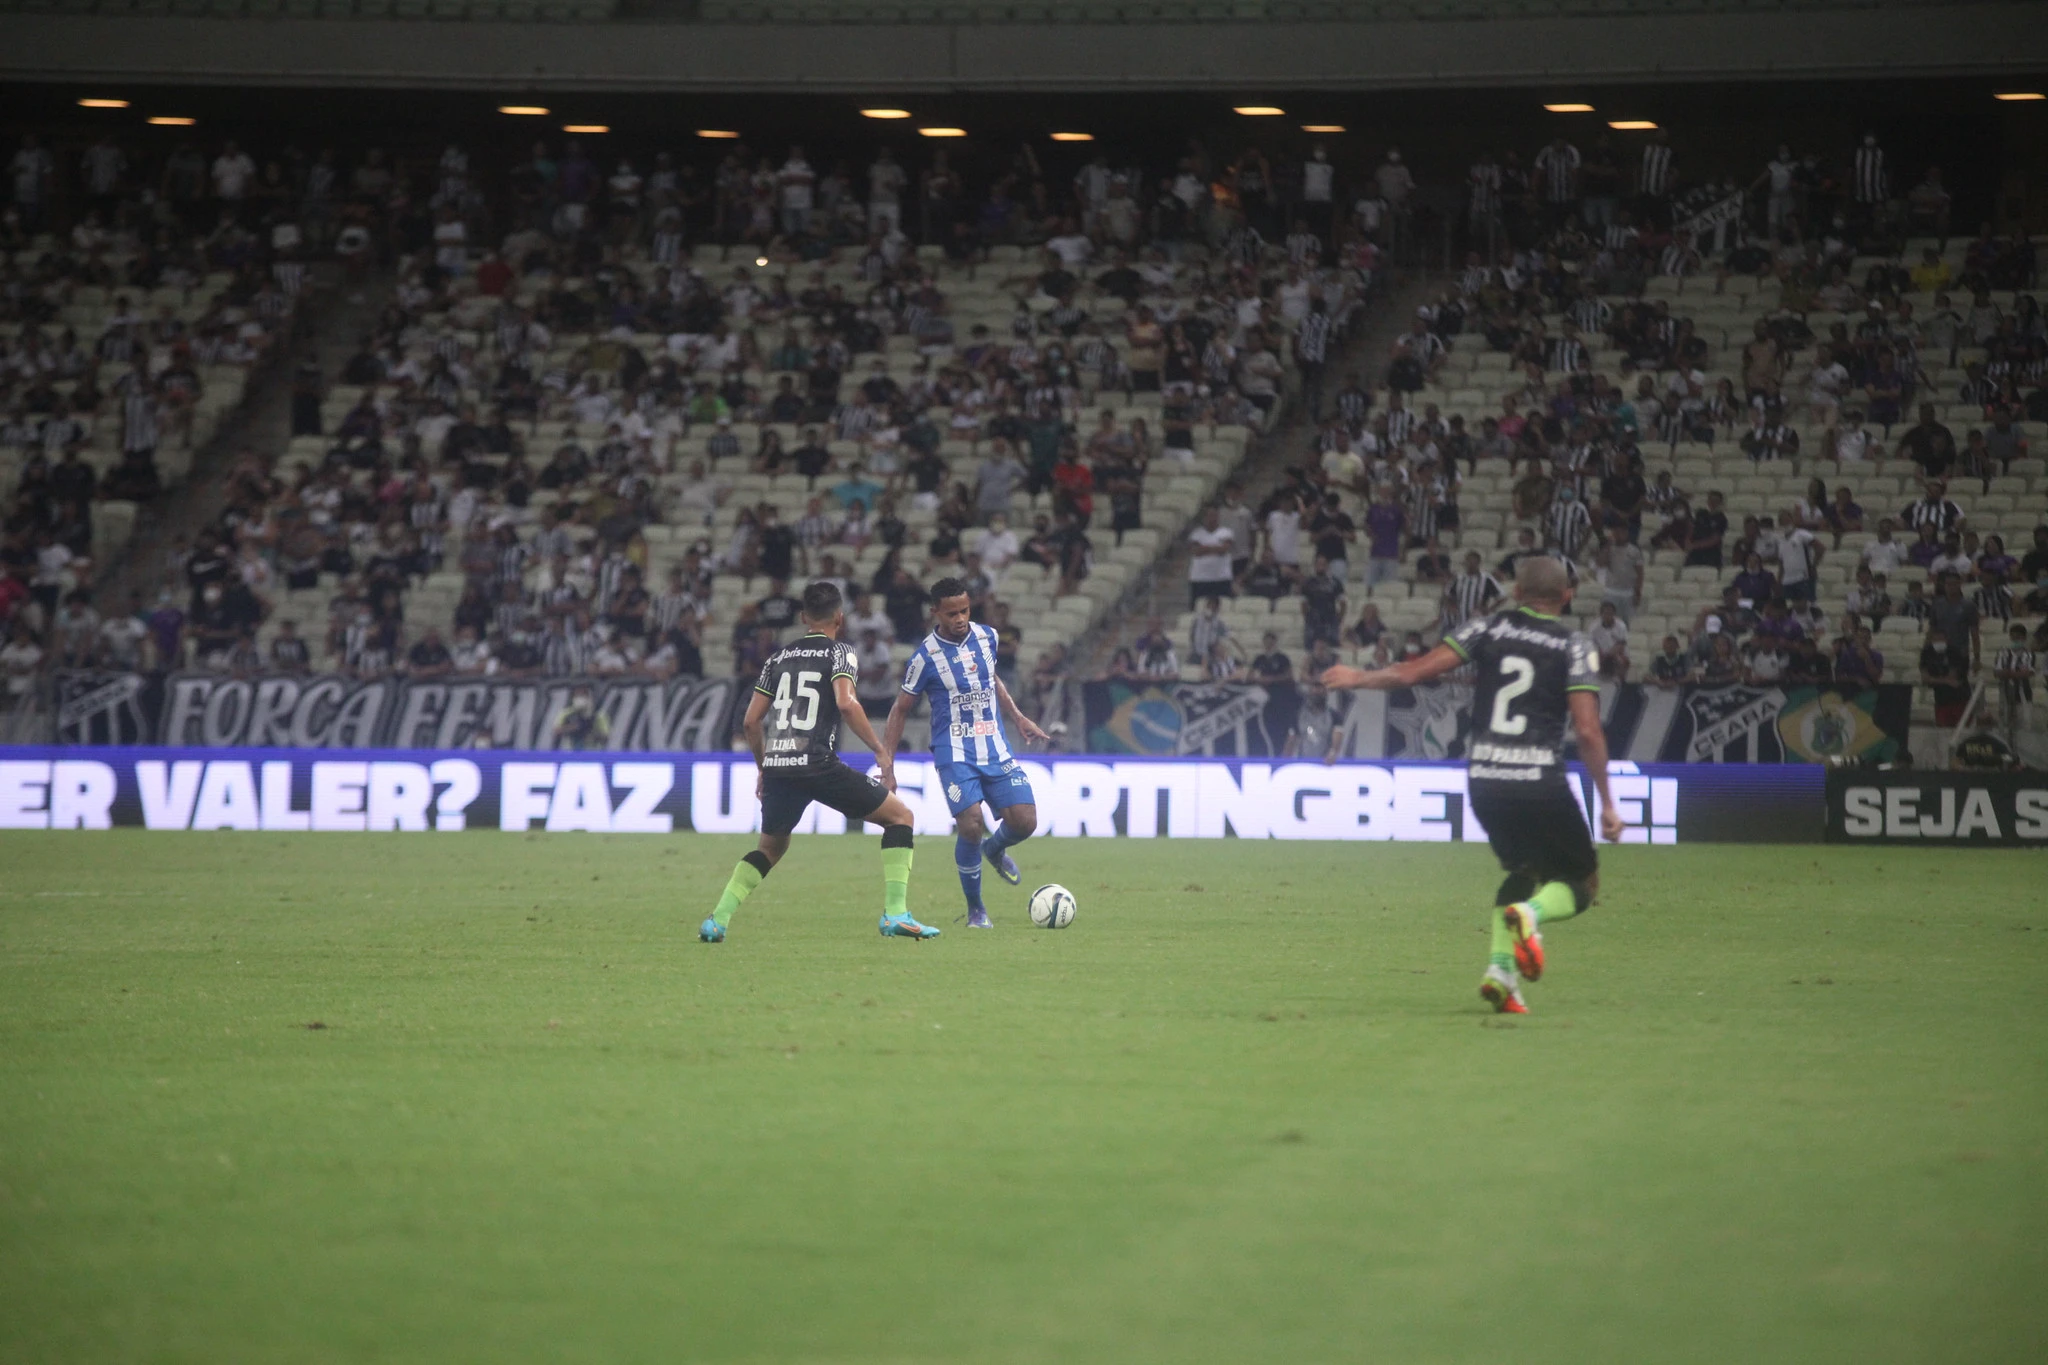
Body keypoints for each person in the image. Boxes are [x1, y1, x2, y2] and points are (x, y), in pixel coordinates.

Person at [1322, 556, 1624, 1015]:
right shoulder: (1576, 644)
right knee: (1582, 880)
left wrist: (1356, 677)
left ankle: (1501, 973)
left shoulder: (1485, 628)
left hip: (1484, 778)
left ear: (1516, 593)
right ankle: (1531, 917)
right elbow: (1587, 731)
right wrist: (1607, 801)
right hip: (1539, 779)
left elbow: (1412, 673)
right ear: (1567, 596)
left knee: (1523, 873)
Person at [700, 582, 933, 943]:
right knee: (900, 817)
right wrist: (880, 751)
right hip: (816, 761)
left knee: (770, 849)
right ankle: (896, 914)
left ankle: (717, 920)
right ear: (840, 617)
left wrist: (764, 768)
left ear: (803, 617)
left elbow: (750, 722)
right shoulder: (841, 653)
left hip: (779, 764)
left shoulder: (776, 659)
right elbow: (846, 703)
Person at [880, 577, 1051, 929]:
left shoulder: (988, 637)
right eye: (952, 613)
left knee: (1026, 822)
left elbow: (991, 680)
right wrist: (887, 764)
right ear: (935, 613)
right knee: (971, 825)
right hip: (953, 751)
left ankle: (995, 849)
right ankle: (976, 910)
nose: (960, 618)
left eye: (965, 610)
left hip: (995, 746)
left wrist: (1017, 717)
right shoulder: (924, 657)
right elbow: (900, 710)